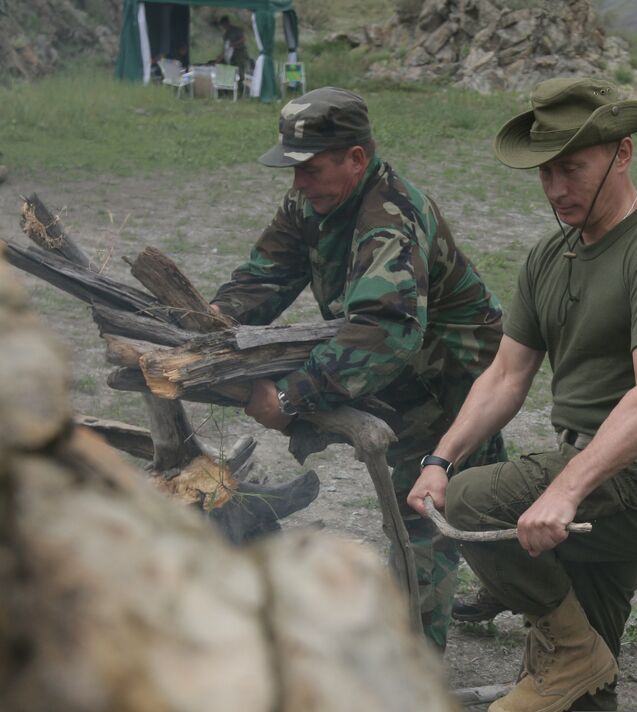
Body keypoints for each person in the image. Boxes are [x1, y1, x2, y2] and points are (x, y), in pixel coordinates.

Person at [406, 78, 637, 712]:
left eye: (572, 166)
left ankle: (568, 647)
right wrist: (441, 456)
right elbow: (506, 376)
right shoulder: (551, 256)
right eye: (545, 170)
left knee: (474, 503)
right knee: (580, 689)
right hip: (597, 474)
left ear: (624, 154)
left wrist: (566, 489)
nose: (555, 187)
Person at [210, 87, 505, 651]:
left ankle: (413, 667)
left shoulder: (386, 217)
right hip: (405, 365)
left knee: (425, 510)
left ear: (356, 158)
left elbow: (384, 330)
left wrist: (292, 399)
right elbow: (264, 276)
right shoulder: (315, 200)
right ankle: (518, 581)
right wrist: (212, 325)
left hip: (453, 377)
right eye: (293, 169)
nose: (298, 183)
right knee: (486, 493)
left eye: (311, 168)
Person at [214, 15, 251, 79]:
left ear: (227, 23)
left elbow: (243, 39)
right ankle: (234, 84)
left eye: (223, 24)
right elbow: (226, 47)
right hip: (231, 55)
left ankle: (241, 85)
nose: (223, 26)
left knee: (241, 70)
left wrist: (234, 44)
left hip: (240, 52)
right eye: (222, 25)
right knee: (232, 70)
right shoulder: (226, 34)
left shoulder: (236, 30)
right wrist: (220, 56)